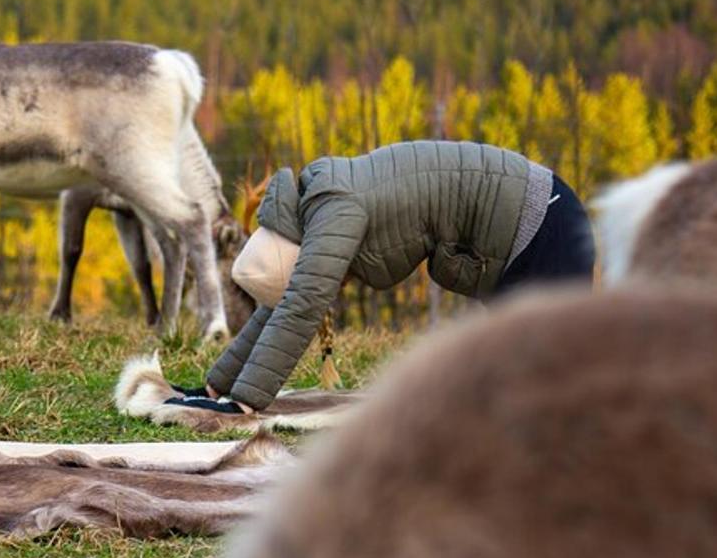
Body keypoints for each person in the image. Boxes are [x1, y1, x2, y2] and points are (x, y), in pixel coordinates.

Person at [168, 140, 595, 415]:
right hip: (537, 215)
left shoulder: (335, 209)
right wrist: (214, 388)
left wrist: (244, 402)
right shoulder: (317, 198)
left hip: (543, 222)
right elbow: (281, 303)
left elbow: (301, 304)